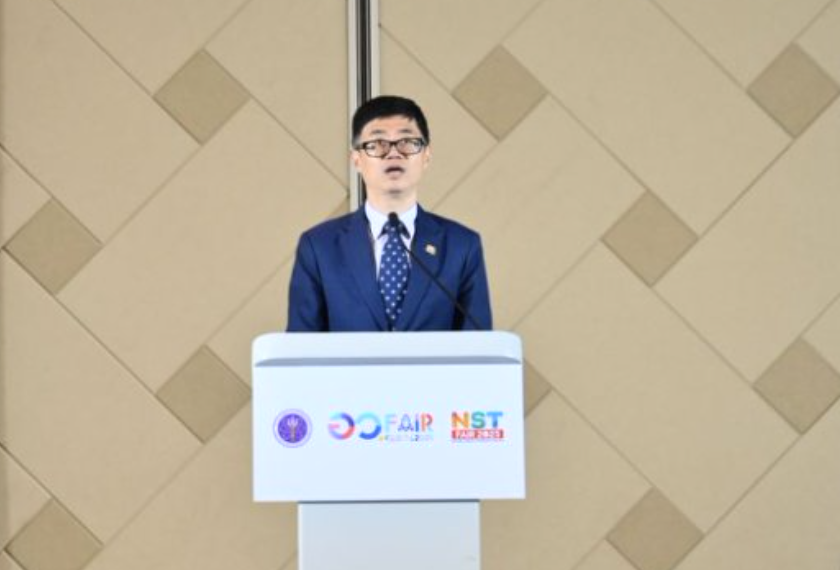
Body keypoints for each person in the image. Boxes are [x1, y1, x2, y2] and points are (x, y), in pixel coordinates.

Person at [287, 95, 492, 332]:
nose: (394, 153)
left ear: (426, 155)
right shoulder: (319, 246)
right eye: (378, 144)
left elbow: (479, 343)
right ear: (356, 160)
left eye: (407, 142)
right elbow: (301, 344)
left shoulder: (462, 246)